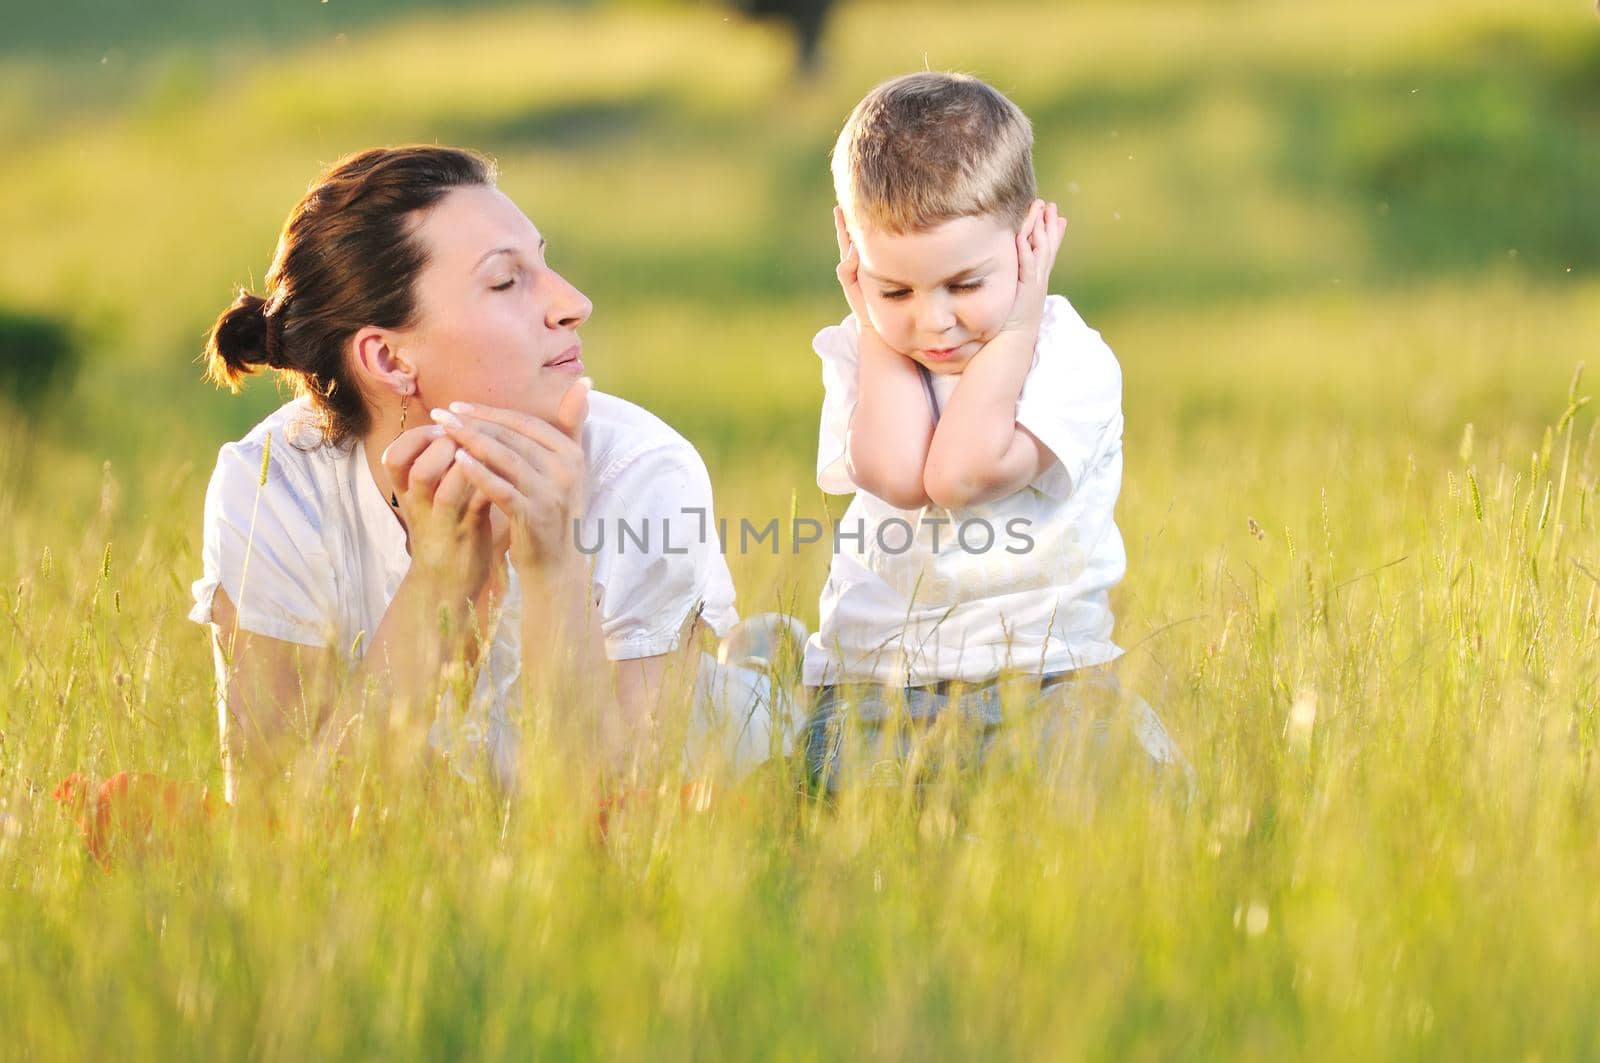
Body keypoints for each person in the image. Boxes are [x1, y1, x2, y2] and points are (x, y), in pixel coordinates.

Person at [189, 145, 782, 802]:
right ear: (387, 358)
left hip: (749, 786)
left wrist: (556, 564)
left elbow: (613, 835)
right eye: (506, 281)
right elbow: (279, 830)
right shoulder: (278, 486)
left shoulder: (640, 472)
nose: (573, 302)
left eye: (544, 264)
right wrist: (439, 579)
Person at [803, 72, 1187, 790]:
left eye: (964, 284)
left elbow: (961, 473)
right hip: (878, 682)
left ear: (1028, 242)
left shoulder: (1069, 359)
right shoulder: (867, 350)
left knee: (1108, 771)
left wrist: (1017, 322)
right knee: (837, 774)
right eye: (895, 289)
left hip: (1046, 678)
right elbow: (898, 474)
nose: (932, 321)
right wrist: (871, 320)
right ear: (855, 264)